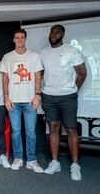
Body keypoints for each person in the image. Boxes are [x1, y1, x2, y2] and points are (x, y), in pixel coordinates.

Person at [40, 25, 87, 181]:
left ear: (63, 35)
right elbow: (41, 74)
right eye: (52, 32)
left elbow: (82, 73)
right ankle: (55, 162)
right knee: (53, 128)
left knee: (71, 130)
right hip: (48, 96)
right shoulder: (44, 52)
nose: (54, 34)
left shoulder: (72, 50)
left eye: (57, 32)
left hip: (67, 97)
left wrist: (73, 91)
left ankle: (75, 165)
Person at [0, 29, 44, 172]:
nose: (19, 40)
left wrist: (37, 95)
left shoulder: (34, 56)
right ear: (13, 39)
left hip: (30, 100)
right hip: (14, 101)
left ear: (25, 39)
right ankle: (18, 158)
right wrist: (6, 98)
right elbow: (5, 78)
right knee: (16, 131)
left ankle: (32, 160)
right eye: (17, 37)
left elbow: (37, 77)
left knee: (31, 131)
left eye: (22, 38)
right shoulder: (7, 57)